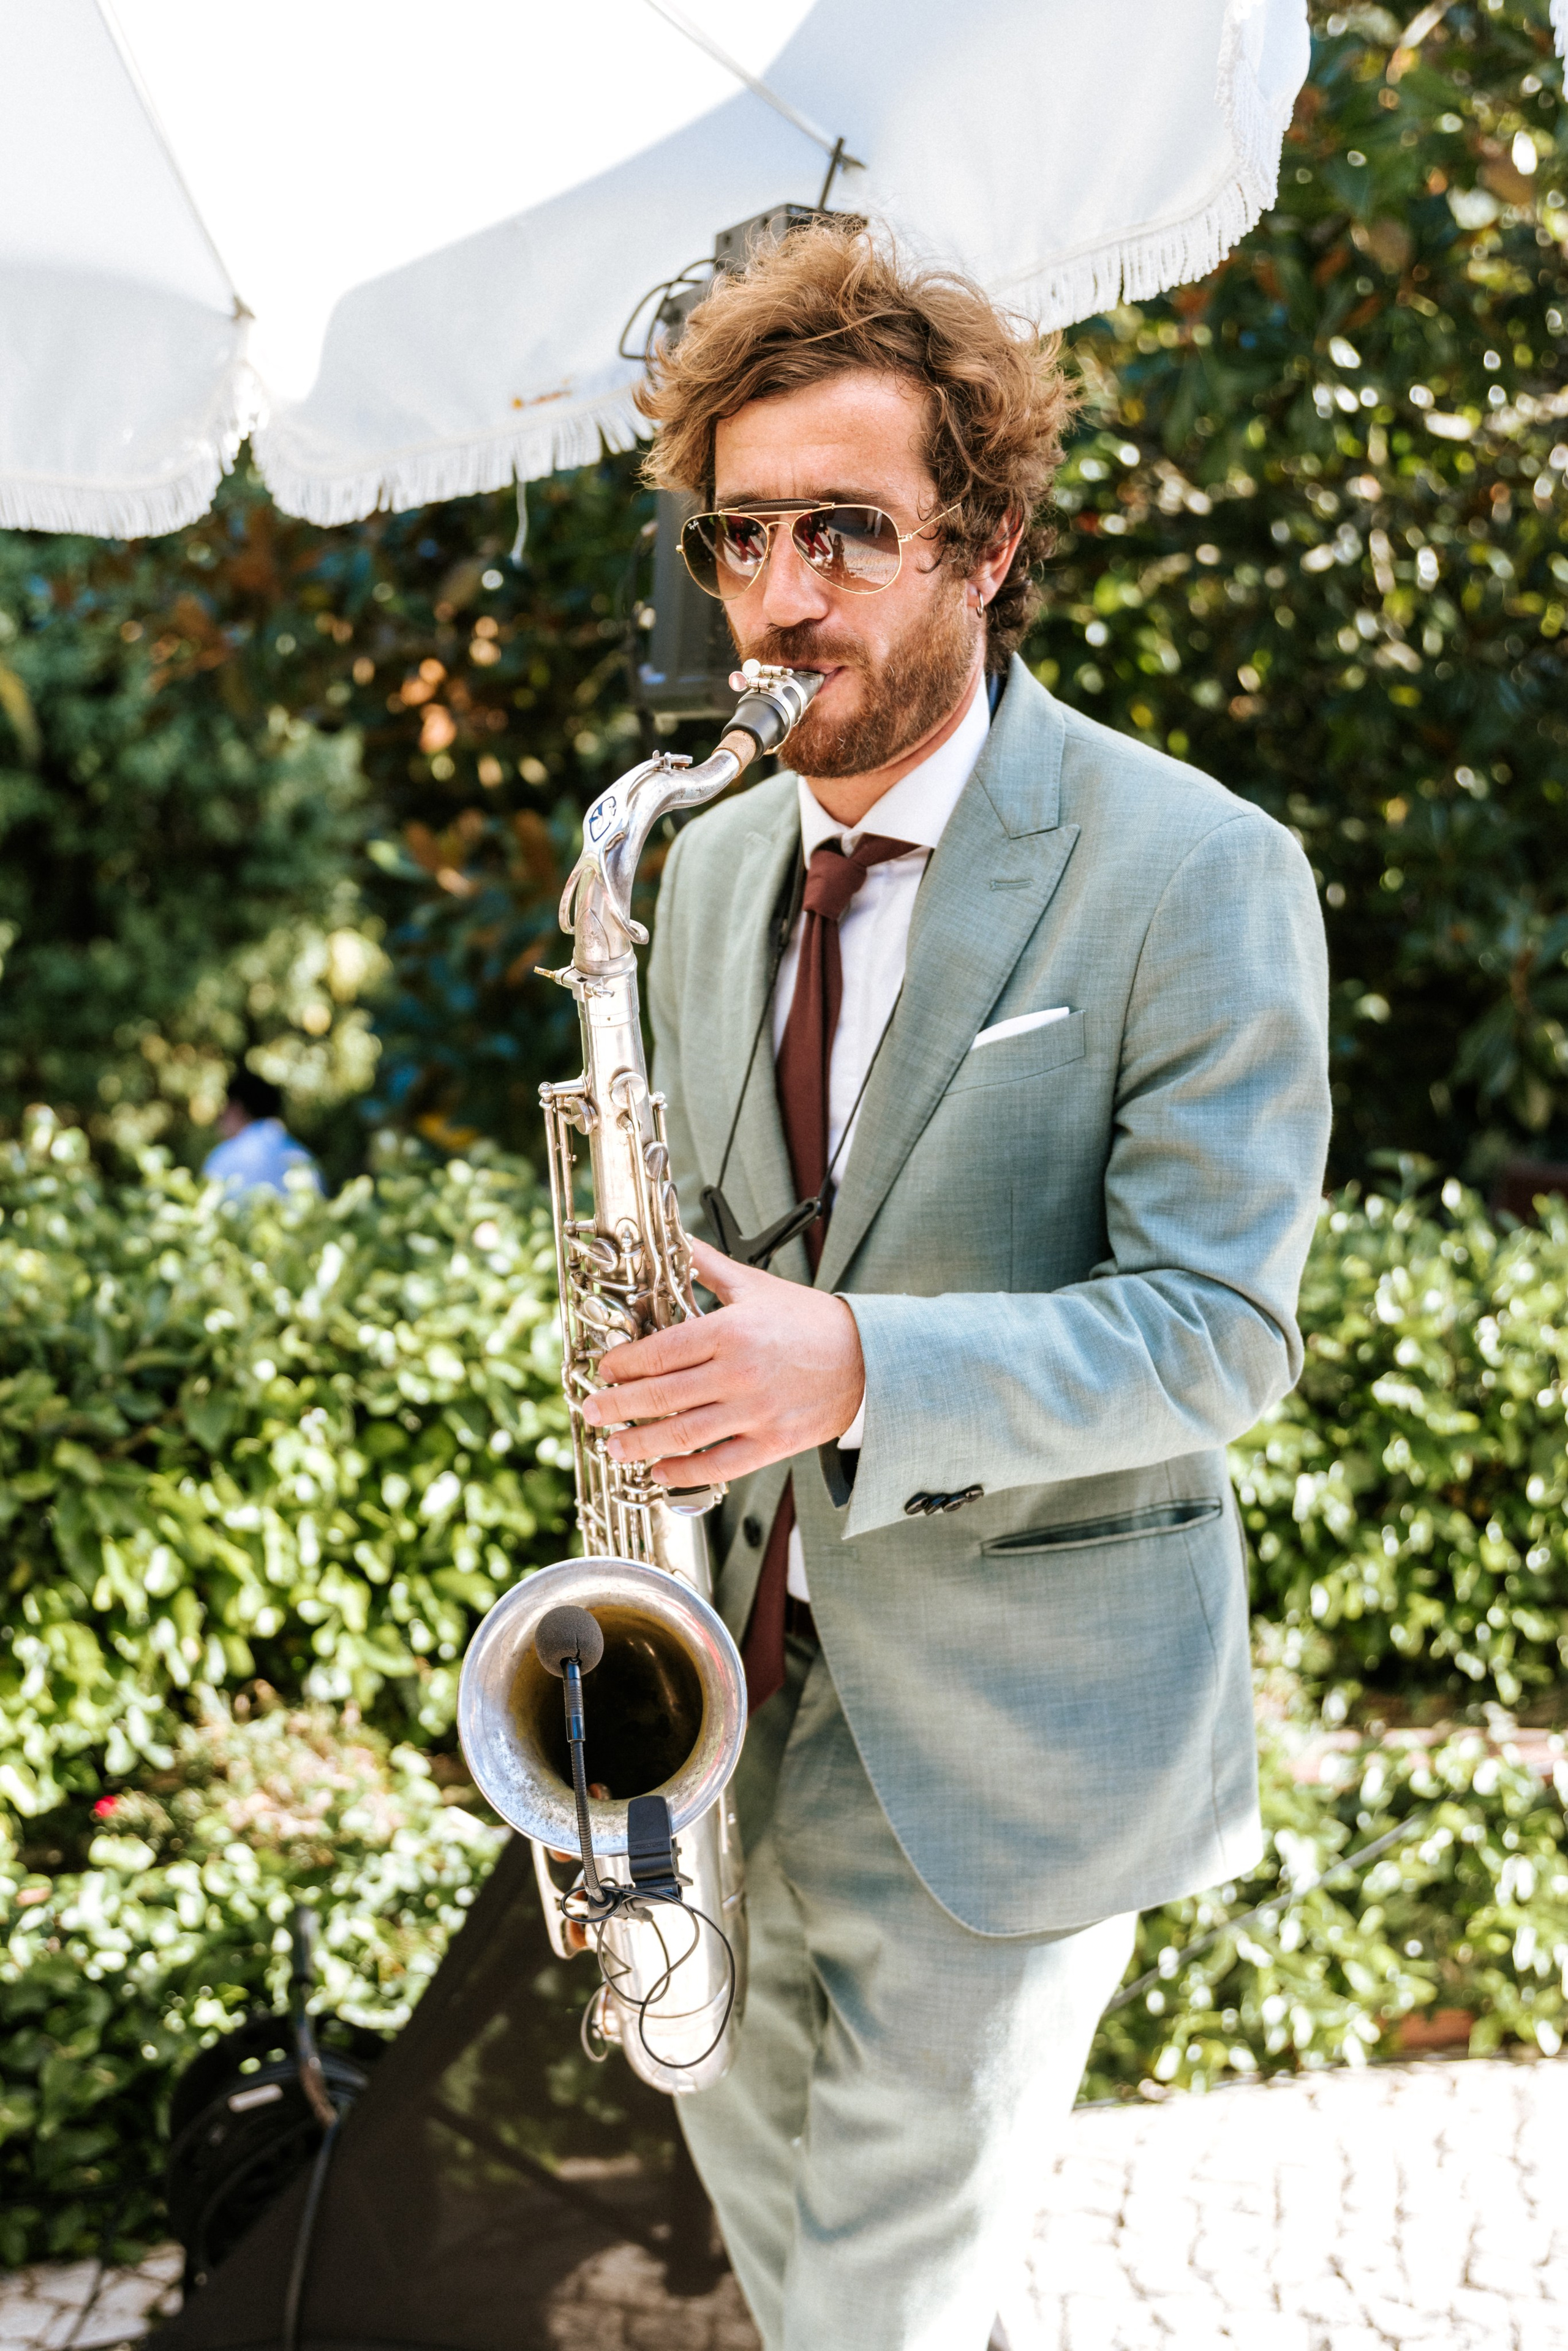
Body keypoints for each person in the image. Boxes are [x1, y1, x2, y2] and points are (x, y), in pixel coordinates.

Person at [579, 225, 1331, 2351]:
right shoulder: (698, 857)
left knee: (877, 2305)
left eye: (849, 530)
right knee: (811, 2272)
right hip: (712, 1725)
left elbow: (1221, 1325)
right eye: (741, 537)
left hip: (1014, 1732)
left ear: (987, 539)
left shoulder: (1195, 867)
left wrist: (852, 1366)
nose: (784, 593)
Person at [202, 1068, 322, 1197]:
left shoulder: (223, 1158)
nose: (221, 1115)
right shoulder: (303, 1158)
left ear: (238, 1108)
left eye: (225, 1105)